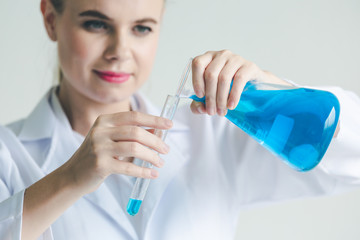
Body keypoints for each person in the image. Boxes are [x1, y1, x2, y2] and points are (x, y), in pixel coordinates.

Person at [1, 0, 360, 239]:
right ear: (50, 18)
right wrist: (69, 179)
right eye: (96, 24)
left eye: (141, 28)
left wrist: (271, 91)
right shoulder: (8, 154)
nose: (119, 52)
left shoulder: (213, 133)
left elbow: (352, 159)